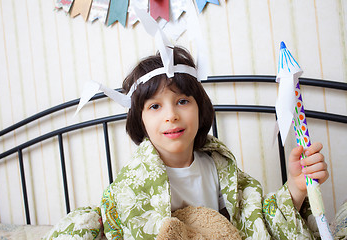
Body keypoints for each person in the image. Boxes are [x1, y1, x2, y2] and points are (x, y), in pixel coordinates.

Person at [100, 46, 329, 239]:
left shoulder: (218, 166)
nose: (171, 115)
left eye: (182, 101)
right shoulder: (133, 184)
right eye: (155, 106)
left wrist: (296, 187)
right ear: (139, 121)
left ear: (200, 109)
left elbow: (253, 221)